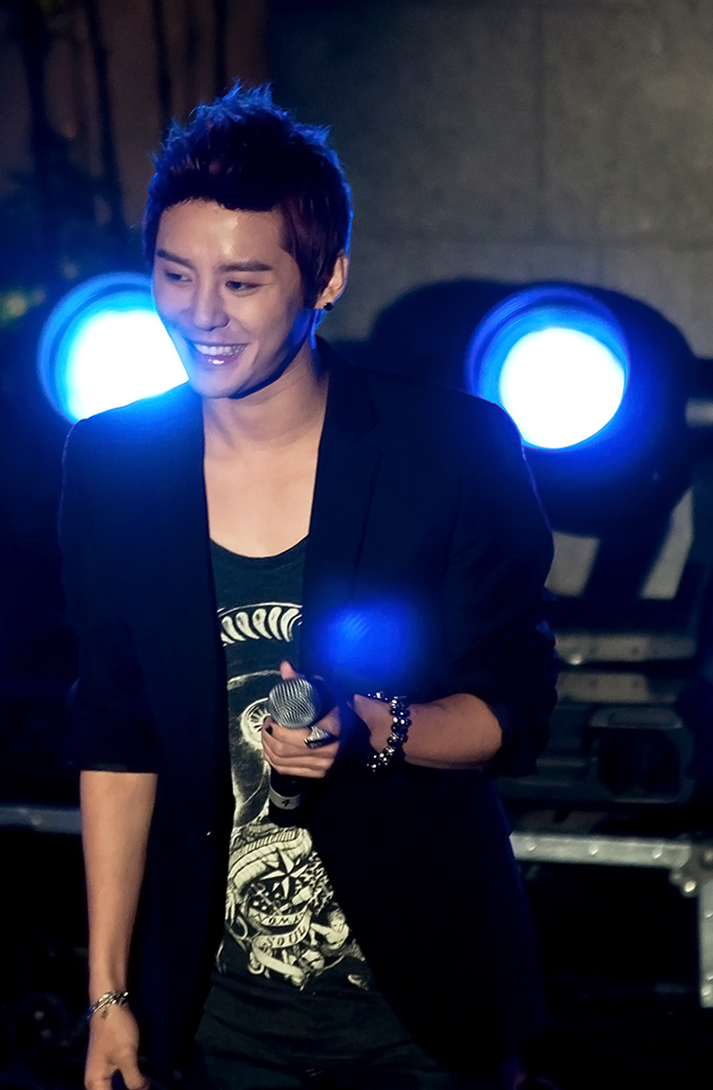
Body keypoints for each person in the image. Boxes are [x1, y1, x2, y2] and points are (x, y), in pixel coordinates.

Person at [61, 85, 556, 1089]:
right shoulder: (112, 464)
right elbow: (116, 735)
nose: (201, 313)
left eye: (242, 282)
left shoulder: (450, 450)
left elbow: (515, 710)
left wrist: (371, 726)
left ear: (327, 277)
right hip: (218, 1024)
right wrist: (109, 995)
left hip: (424, 1016)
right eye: (174, 274)